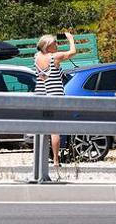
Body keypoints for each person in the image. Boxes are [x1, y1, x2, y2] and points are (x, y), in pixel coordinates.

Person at [34, 31, 79, 166]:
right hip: (55, 96)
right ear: (48, 46)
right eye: (55, 43)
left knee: (42, 128)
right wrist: (70, 38)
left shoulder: (36, 57)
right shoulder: (55, 57)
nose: (57, 45)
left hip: (41, 95)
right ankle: (55, 160)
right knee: (55, 130)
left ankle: (40, 157)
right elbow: (73, 52)